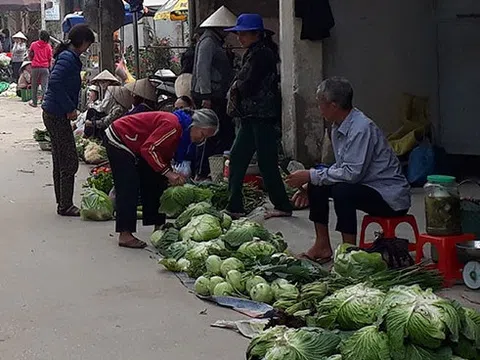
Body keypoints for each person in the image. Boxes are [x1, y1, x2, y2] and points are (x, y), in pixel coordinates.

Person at [286, 77, 411, 264]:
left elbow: (352, 174)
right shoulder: (338, 127)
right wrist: (310, 178)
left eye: (321, 104)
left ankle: (349, 253)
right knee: (318, 183)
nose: (319, 109)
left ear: (334, 105)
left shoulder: (361, 128)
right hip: (366, 185)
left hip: (389, 196)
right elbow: (341, 166)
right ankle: (322, 245)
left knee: (342, 190)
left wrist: (311, 174)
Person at [104, 108, 219, 248]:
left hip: (138, 144)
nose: (201, 139)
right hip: (120, 137)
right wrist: (169, 173)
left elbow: (161, 154)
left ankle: (159, 225)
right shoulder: (174, 126)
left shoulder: (182, 133)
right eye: (202, 134)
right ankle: (125, 234)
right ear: (194, 125)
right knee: (129, 185)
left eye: (205, 138)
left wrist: (168, 173)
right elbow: (149, 149)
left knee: (156, 179)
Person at [224, 14, 292, 220]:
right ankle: (234, 205)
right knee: (236, 158)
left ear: (256, 34)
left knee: (267, 162)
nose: (239, 38)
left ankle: (282, 204)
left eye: (243, 33)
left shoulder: (262, 55)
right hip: (250, 116)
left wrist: (235, 87)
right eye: (239, 33)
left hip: (262, 116)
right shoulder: (255, 53)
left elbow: (246, 83)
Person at [41, 24, 95, 217]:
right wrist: (70, 108)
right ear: (82, 42)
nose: (87, 49)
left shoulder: (68, 56)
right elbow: (54, 82)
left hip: (53, 111)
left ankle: (62, 202)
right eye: (88, 44)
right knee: (69, 160)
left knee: (60, 158)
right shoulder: (67, 58)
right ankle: (65, 205)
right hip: (56, 113)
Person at [191, 6, 237, 178]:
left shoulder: (215, 42)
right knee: (208, 134)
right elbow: (202, 70)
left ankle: (213, 170)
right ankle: (203, 171)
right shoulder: (208, 42)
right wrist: (206, 97)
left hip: (216, 94)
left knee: (219, 134)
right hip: (210, 96)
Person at [29, 30, 53, 108]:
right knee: (44, 86)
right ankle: (45, 103)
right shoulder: (48, 46)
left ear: (40, 36)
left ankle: (34, 102)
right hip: (45, 67)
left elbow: (30, 54)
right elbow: (50, 57)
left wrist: (32, 60)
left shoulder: (33, 44)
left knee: (34, 86)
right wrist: (49, 66)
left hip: (35, 67)